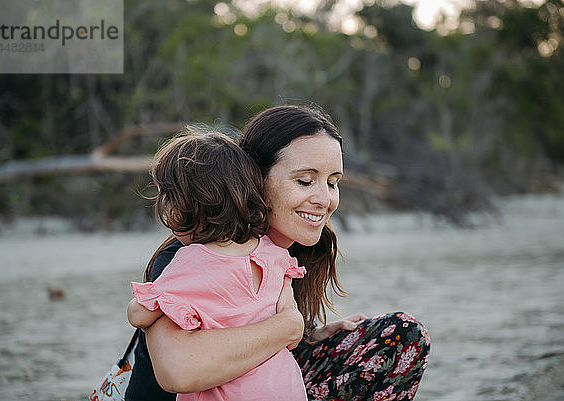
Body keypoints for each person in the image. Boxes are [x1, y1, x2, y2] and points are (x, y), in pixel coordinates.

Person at [125, 105, 430, 401]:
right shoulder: (194, 254)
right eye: (305, 181)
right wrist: (287, 327)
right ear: (254, 179)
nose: (324, 199)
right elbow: (180, 371)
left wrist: (308, 334)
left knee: (402, 335)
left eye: (333, 183)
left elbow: (250, 321)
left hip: (265, 382)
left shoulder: (292, 250)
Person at [127, 131, 308, 400]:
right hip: (285, 388)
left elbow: (140, 315)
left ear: (182, 207)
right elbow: (291, 326)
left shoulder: (194, 262)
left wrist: (137, 304)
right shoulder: (275, 254)